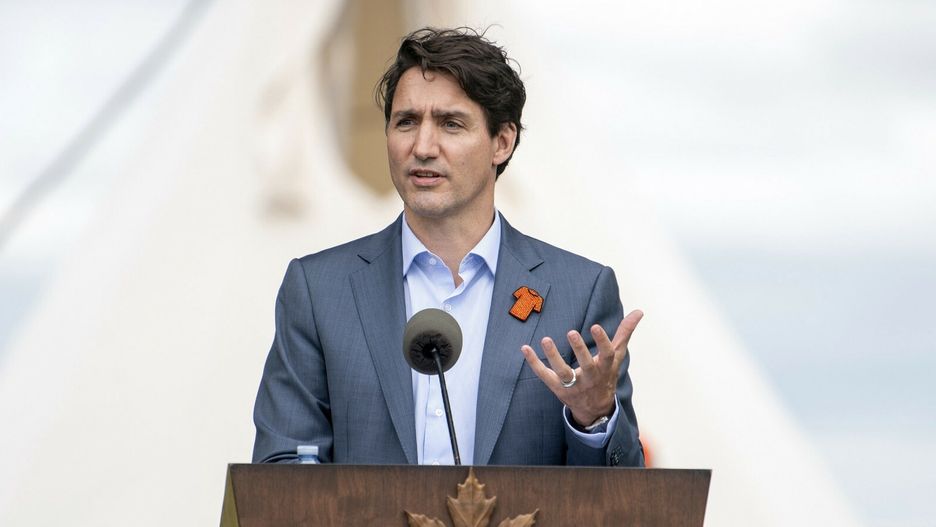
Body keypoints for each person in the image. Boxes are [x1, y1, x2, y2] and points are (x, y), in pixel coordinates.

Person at [252, 27, 645, 467]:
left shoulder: (580, 293)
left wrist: (593, 418)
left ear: (502, 142)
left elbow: (622, 490)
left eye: (450, 124)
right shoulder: (319, 290)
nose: (422, 147)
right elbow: (281, 468)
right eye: (406, 122)